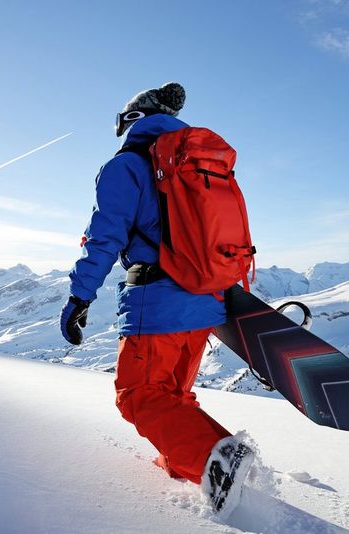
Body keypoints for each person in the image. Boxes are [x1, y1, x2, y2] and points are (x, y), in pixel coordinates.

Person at [60, 82, 254, 517]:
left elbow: (105, 237)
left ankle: (216, 461)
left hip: (159, 298)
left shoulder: (127, 166)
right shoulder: (195, 164)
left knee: (138, 394)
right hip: (206, 297)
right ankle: (186, 461)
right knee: (173, 395)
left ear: (133, 119)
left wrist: (80, 295)